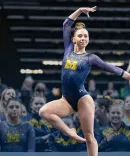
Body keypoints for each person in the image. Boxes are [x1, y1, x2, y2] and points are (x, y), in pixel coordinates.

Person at [39, 6, 130, 156]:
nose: (83, 38)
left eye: (86, 36)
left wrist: (127, 76)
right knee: (44, 111)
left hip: (83, 99)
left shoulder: (90, 58)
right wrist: (80, 10)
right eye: (80, 36)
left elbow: (110, 67)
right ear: (73, 38)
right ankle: (69, 131)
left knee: (89, 137)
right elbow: (66, 24)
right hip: (66, 100)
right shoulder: (68, 49)